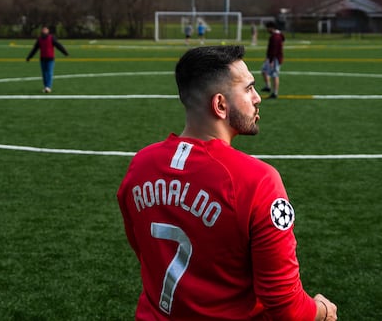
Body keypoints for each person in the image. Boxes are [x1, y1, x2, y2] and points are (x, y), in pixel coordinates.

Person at [117, 45, 337, 321]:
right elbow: (285, 306)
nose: (258, 98)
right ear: (220, 105)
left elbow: (143, 249)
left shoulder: (140, 165)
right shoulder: (258, 181)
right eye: (248, 89)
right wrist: (323, 312)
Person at [26, 26, 69, 93]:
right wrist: (29, 57)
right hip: (42, 59)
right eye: (43, 30)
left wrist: (65, 52)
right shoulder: (39, 39)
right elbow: (35, 49)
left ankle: (48, 87)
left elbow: (58, 45)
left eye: (45, 30)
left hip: (50, 58)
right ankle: (46, 86)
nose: (44, 31)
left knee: (49, 72)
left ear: (48, 31)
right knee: (44, 73)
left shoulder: (51, 38)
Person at [261, 21, 285, 99]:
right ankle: (268, 86)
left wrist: (271, 60)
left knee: (275, 75)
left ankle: (275, 93)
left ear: (271, 28)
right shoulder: (278, 35)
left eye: (267, 28)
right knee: (264, 70)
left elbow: (274, 49)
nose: (267, 30)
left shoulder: (275, 37)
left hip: (275, 58)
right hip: (272, 58)